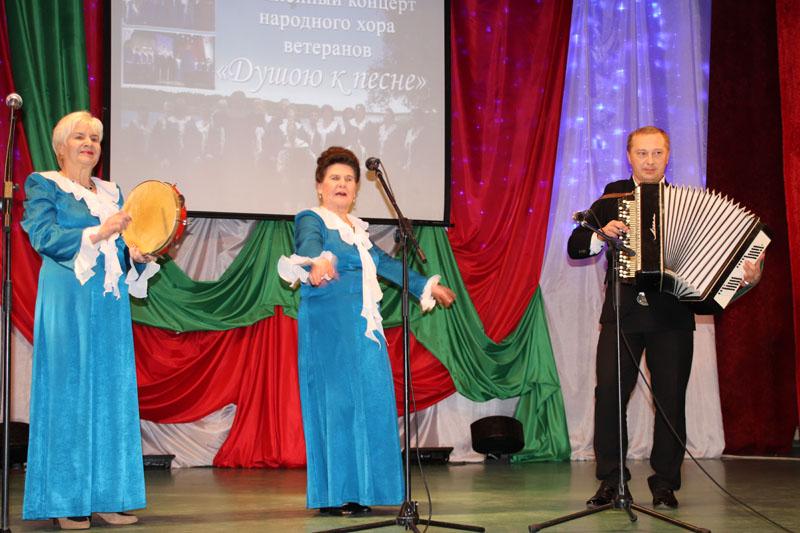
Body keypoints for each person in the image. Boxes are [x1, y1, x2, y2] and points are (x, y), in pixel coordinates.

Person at [567, 126, 764, 510]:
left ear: (667, 156)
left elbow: (714, 268)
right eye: (642, 153)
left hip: (673, 316)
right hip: (623, 314)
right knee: (609, 395)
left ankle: (665, 484)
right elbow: (575, 245)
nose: (650, 161)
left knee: (670, 401)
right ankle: (611, 481)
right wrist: (600, 235)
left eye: (657, 153)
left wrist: (745, 279)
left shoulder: (690, 205)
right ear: (629, 156)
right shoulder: (611, 197)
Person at [278, 146, 455, 515]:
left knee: (372, 400)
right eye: (334, 178)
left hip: (363, 328)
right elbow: (309, 245)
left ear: (357, 188)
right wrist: (317, 261)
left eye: (348, 179)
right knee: (337, 406)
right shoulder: (312, 218)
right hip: (329, 328)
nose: (342, 184)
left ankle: (363, 491)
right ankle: (334, 495)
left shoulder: (357, 230)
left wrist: (426, 286)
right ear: (320, 186)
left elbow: (385, 264)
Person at [21, 111, 159, 530]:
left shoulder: (111, 192)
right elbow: (42, 236)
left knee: (111, 394)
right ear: (60, 147)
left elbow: (118, 250)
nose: (89, 143)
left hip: (108, 303)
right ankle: (66, 500)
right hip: (68, 298)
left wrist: (136, 254)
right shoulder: (44, 184)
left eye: (95, 138)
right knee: (69, 392)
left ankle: (109, 496)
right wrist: (101, 232)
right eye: (79, 136)